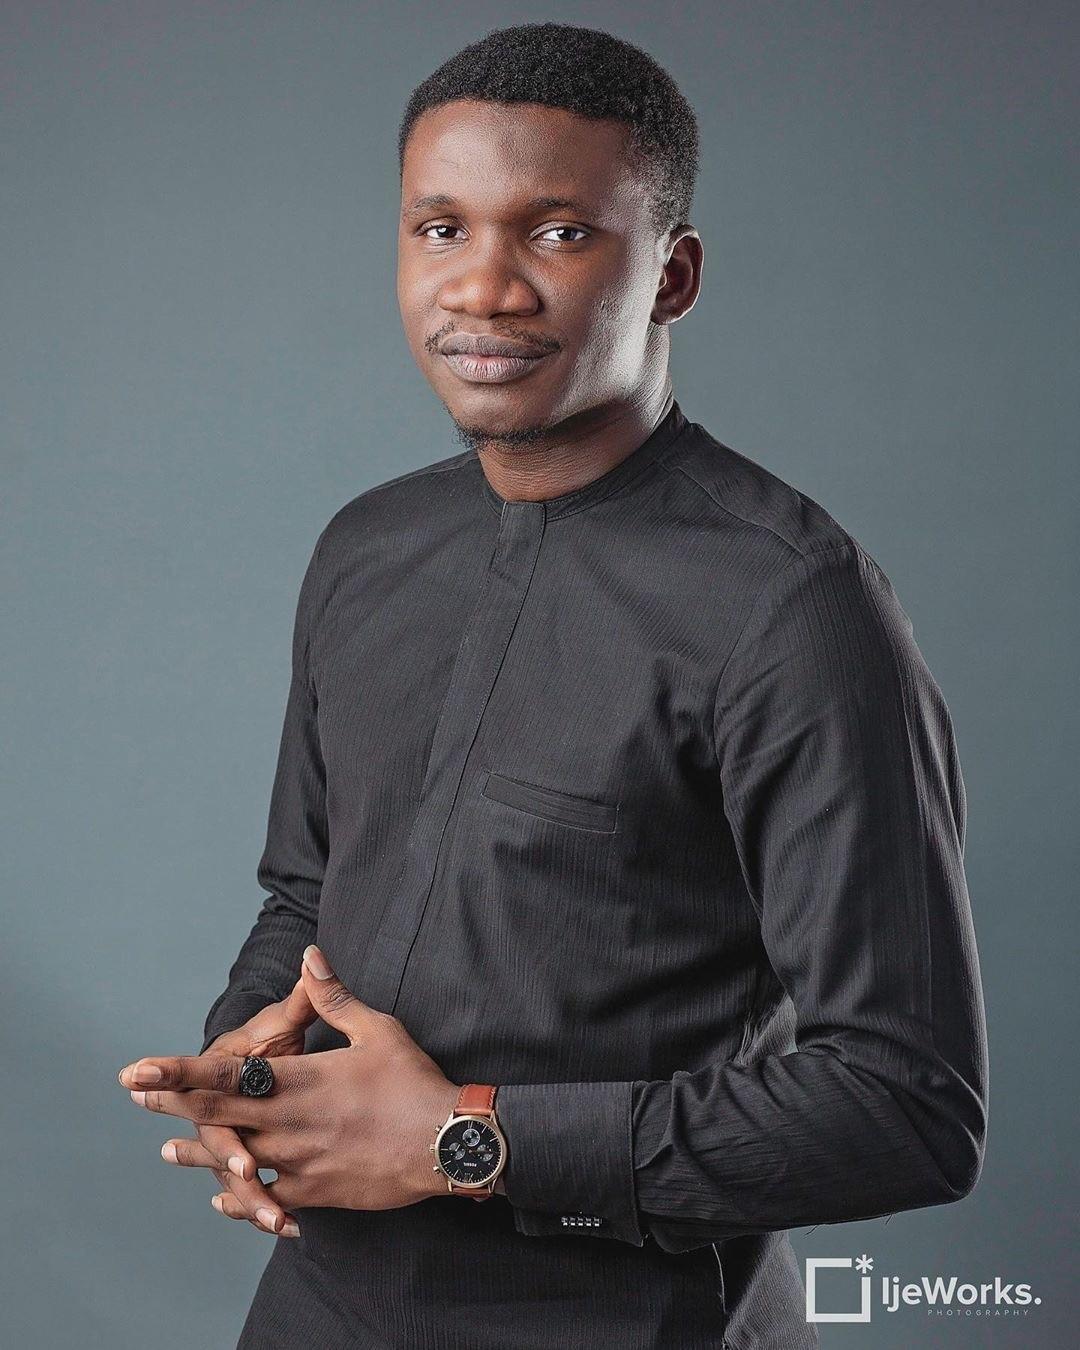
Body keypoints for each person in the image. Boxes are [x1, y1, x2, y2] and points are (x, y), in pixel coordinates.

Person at [117, 22, 988, 1349]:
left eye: (560, 233)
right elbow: (306, 895)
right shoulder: (365, 547)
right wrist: (253, 1067)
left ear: (672, 276)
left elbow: (905, 1109)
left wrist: (466, 1142)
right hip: (317, 1310)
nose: (484, 288)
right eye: (441, 229)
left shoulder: (796, 610)